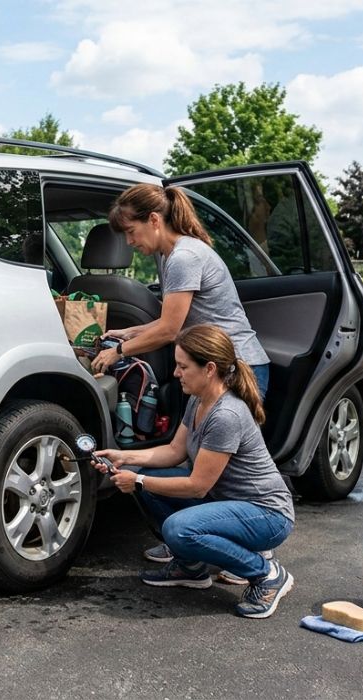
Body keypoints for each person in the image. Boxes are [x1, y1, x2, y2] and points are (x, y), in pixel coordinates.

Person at [91, 324, 295, 619]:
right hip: (229, 503)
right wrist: (124, 457)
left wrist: (137, 480)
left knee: (179, 529)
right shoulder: (199, 399)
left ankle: (266, 574)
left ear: (209, 368)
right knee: (146, 477)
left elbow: (197, 486)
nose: (176, 373)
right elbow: (174, 451)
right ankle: (191, 567)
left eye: (183, 367)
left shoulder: (226, 415)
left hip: (267, 514)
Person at [89, 183, 271, 398]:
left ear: (154, 220)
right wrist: (129, 332)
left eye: (131, 231)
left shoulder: (183, 258)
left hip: (235, 368)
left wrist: (117, 352)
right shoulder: (171, 256)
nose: (129, 241)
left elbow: (170, 330)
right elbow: (178, 320)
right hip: (213, 366)